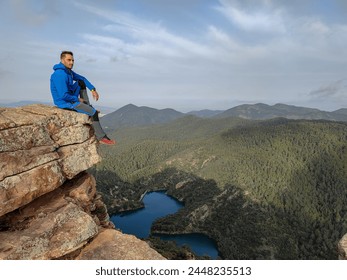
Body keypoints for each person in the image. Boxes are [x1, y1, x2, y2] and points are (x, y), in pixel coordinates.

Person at [50, 51, 116, 145]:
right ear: (62, 60)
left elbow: (82, 79)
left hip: (70, 97)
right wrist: (78, 99)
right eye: (69, 60)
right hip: (65, 103)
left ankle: (87, 106)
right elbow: (63, 95)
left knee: (81, 82)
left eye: (73, 60)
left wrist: (93, 90)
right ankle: (101, 137)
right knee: (93, 113)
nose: (71, 62)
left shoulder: (68, 72)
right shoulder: (60, 74)